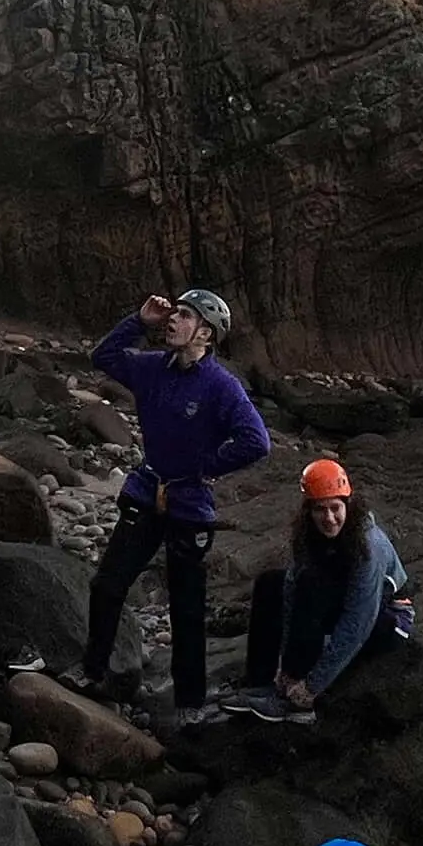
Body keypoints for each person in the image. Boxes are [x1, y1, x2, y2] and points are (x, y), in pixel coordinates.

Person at [76, 288, 273, 719]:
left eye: (183, 316)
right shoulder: (153, 369)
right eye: (174, 314)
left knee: (186, 609)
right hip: (148, 491)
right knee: (107, 585)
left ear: (205, 332)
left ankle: (189, 705)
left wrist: (208, 466)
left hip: (189, 504)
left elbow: (257, 442)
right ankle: (92, 672)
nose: (173, 320)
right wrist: (140, 321)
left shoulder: (222, 387)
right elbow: (103, 357)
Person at [227, 457, 411, 723]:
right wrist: (285, 666)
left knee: (314, 591)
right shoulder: (309, 536)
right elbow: (291, 589)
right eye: (319, 510)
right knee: (270, 583)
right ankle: (260, 682)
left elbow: (358, 622)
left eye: (336, 508)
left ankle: (298, 704)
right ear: (308, 511)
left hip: (390, 618)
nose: (329, 518)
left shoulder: (367, 547)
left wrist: (312, 686)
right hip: (340, 599)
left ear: (348, 505)